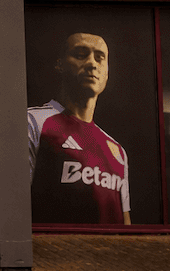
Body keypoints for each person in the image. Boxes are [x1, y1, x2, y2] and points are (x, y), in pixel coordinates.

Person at [28, 33, 131, 224]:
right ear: (60, 64)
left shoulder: (118, 151)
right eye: (81, 54)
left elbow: (125, 223)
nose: (92, 63)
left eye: (100, 57)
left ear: (107, 72)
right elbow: (12, 203)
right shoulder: (33, 122)